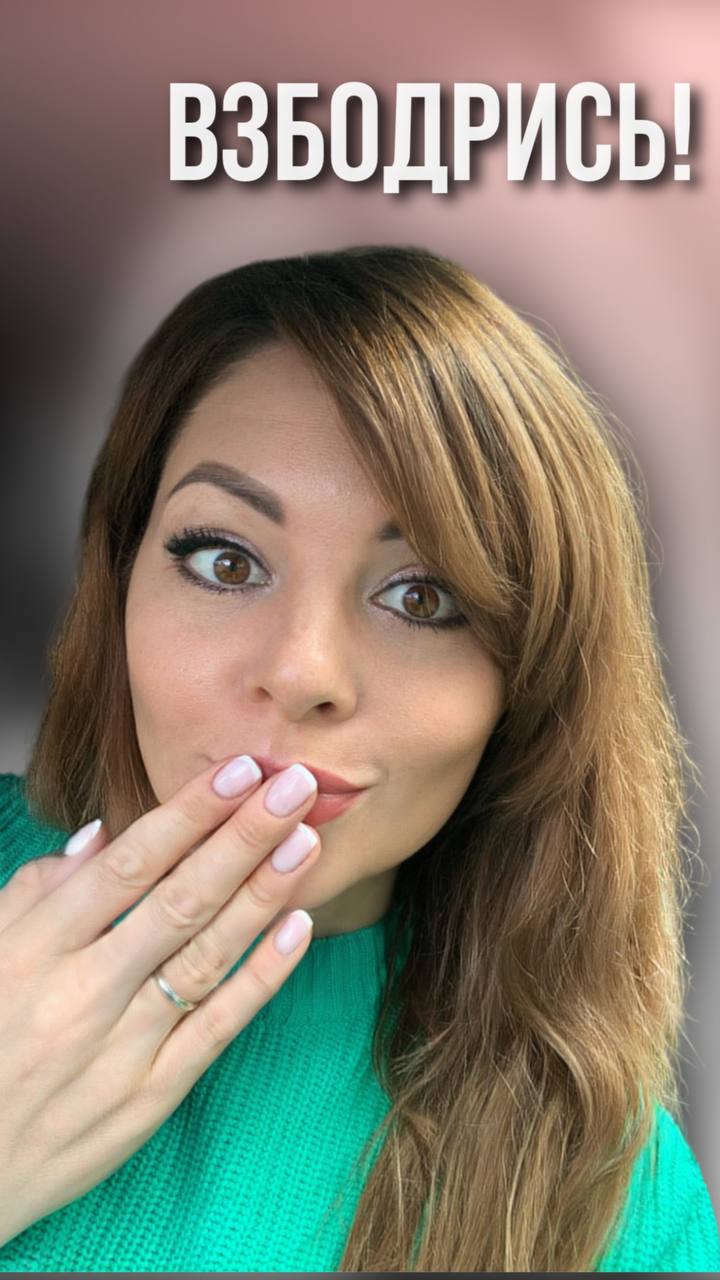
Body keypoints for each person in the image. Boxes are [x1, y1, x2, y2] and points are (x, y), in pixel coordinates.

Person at [0, 244, 717, 1273]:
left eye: (421, 596)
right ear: (117, 582)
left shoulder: (624, 1200)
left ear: (529, 682)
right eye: (226, 560)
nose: (303, 673)